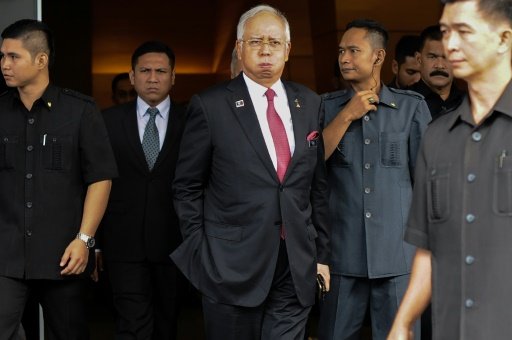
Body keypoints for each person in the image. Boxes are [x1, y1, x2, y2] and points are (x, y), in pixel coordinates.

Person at [170, 4, 330, 340]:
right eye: (256, 41)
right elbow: (187, 187)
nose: (266, 51)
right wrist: (202, 251)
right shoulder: (210, 105)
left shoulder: (311, 103)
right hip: (230, 266)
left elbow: (316, 186)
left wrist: (321, 255)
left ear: (288, 50)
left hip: (295, 262)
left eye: (274, 42)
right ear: (239, 49)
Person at [388, 0, 512, 339]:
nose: (450, 45)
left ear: (504, 39)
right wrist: (403, 321)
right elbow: (428, 247)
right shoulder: (436, 136)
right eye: (445, 32)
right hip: (451, 328)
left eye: (464, 31)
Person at [0, 19, 117, 339]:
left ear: (41, 60)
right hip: (6, 259)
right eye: (2, 56)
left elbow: (100, 179)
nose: (4, 65)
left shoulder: (80, 111)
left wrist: (85, 240)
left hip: (64, 256)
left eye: (13, 57)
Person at [318, 19, 431, 340]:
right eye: (341, 51)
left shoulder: (411, 108)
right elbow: (309, 168)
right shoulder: (324, 108)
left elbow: (425, 183)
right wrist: (347, 115)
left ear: (379, 57)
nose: (344, 58)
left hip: (398, 255)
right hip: (341, 255)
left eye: (354, 50)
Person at [100, 41, 186, 340]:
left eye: (161, 71)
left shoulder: (192, 121)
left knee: (167, 325)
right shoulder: (106, 121)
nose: (153, 78)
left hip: (175, 242)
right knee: (131, 326)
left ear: (173, 77)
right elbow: (96, 182)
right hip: (123, 243)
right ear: (132, 75)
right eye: (145, 71)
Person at [408, 25, 464, 121]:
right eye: (432, 57)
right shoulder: (403, 103)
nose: (440, 65)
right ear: (419, 59)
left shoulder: (471, 104)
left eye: (446, 57)